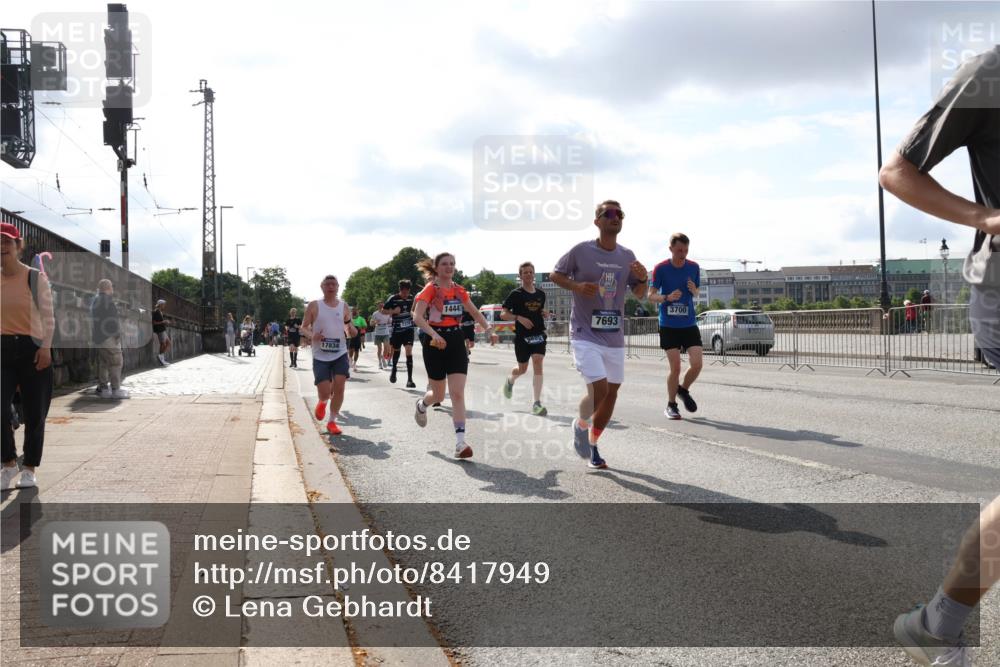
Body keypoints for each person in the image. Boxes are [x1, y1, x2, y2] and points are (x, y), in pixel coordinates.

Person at [879, 45, 1000, 665]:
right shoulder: (992, 72)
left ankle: (937, 623)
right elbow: (897, 172)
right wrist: (987, 217)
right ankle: (939, 622)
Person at [550, 200, 647, 469]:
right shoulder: (581, 251)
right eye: (609, 213)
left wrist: (643, 279)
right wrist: (577, 286)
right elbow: (555, 275)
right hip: (585, 334)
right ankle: (580, 425)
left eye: (620, 214)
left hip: (614, 336)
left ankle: (592, 444)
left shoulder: (627, 256)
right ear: (597, 221)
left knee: (611, 394)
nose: (616, 217)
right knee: (599, 389)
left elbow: (640, 293)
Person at [411, 253, 497, 458]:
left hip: (456, 341)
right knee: (439, 395)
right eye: (444, 264)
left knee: (457, 393)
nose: (449, 267)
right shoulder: (431, 289)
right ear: (436, 268)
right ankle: (422, 405)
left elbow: (475, 312)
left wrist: (489, 329)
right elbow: (417, 316)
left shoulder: (459, 290)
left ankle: (460, 443)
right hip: (434, 342)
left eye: (452, 264)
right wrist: (433, 334)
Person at [1, 222, 55, 490]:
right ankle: (8, 463)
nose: (2, 247)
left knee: (35, 413)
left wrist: (46, 347)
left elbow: (48, 317)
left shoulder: (34, 277)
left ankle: (29, 468)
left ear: (18, 245)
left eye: (7, 242)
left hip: (33, 349)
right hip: (2, 349)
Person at [648, 233, 703, 420]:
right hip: (668, 325)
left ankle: (683, 390)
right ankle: (671, 405)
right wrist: (667, 297)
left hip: (689, 323)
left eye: (686, 250)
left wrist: (694, 290)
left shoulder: (694, 267)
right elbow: (650, 295)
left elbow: (697, 292)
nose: (683, 254)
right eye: (679, 250)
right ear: (671, 249)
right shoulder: (661, 268)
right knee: (676, 367)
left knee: (697, 364)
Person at [300, 275, 357, 436]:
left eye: (333, 284)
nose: (331, 287)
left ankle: (332, 421)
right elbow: (303, 327)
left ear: (338, 287)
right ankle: (323, 401)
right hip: (320, 355)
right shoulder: (314, 305)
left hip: (340, 352)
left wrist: (352, 330)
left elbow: (349, 329)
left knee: (340, 387)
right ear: (322, 287)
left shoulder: (344, 306)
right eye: (328, 284)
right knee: (325, 392)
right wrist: (312, 335)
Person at [500, 261, 549, 416]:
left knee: (538, 362)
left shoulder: (541, 294)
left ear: (534, 274)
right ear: (520, 276)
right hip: (522, 336)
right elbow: (503, 314)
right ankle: (510, 380)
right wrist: (518, 317)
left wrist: (544, 313)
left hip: (538, 333)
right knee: (522, 368)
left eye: (531, 272)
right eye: (525, 272)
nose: (528, 274)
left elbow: (538, 310)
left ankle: (536, 403)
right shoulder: (516, 294)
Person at [90, 279, 128, 399]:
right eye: (112, 286)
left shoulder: (95, 301)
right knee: (116, 362)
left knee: (104, 363)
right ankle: (115, 389)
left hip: (99, 338)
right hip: (109, 337)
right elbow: (112, 320)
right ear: (107, 288)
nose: (113, 289)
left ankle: (103, 389)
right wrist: (117, 334)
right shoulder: (108, 301)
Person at [383, 279, 417, 388]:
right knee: (396, 351)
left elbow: (415, 310)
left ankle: (410, 380)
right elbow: (383, 311)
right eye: (403, 292)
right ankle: (394, 369)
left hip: (409, 330)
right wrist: (393, 311)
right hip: (397, 331)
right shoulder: (393, 299)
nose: (405, 294)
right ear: (400, 290)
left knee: (409, 351)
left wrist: (414, 314)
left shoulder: (411, 298)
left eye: (407, 292)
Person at [370, 302, 393, 370]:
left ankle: (383, 357)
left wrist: (391, 320)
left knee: (387, 347)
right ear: (377, 306)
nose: (381, 306)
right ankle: (380, 362)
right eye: (379, 305)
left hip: (385, 331)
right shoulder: (375, 313)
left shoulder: (387, 313)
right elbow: (371, 323)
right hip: (378, 332)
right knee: (379, 349)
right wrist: (375, 322)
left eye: (382, 305)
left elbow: (390, 321)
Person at [152, 299, 171, 366]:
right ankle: (161, 358)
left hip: (163, 329)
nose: (164, 306)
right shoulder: (156, 311)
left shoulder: (160, 311)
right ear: (160, 304)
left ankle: (161, 356)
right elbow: (154, 323)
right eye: (163, 304)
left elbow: (160, 322)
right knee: (163, 344)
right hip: (159, 330)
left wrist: (165, 322)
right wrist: (163, 322)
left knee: (168, 343)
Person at [348, 307, 367, 372]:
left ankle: (354, 364)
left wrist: (360, 327)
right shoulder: (349, 318)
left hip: (357, 336)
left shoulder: (361, 319)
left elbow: (365, 326)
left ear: (357, 311)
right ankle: (350, 360)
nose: (354, 312)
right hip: (350, 336)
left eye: (355, 310)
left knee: (357, 351)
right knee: (350, 350)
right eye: (353, 310)